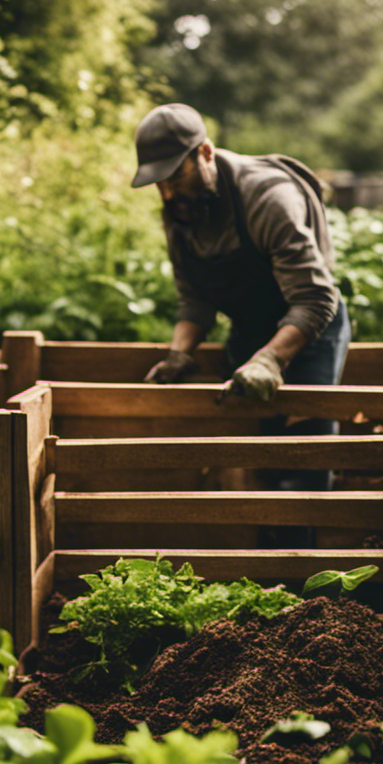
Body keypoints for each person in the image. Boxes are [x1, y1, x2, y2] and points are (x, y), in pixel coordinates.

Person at [131, 104, 351, 538]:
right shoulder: (181, 212)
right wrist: (179, 354)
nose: (168, 193)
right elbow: (194, 299)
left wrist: (270, 360)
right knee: (257, 455)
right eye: (158, 182)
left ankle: (313, 595)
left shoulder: (269, 197)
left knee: (304, 462)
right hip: (250, 327)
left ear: (206, 154)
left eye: (175, 177)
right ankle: (265, 578)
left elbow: (314, 298)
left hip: (309, 330)